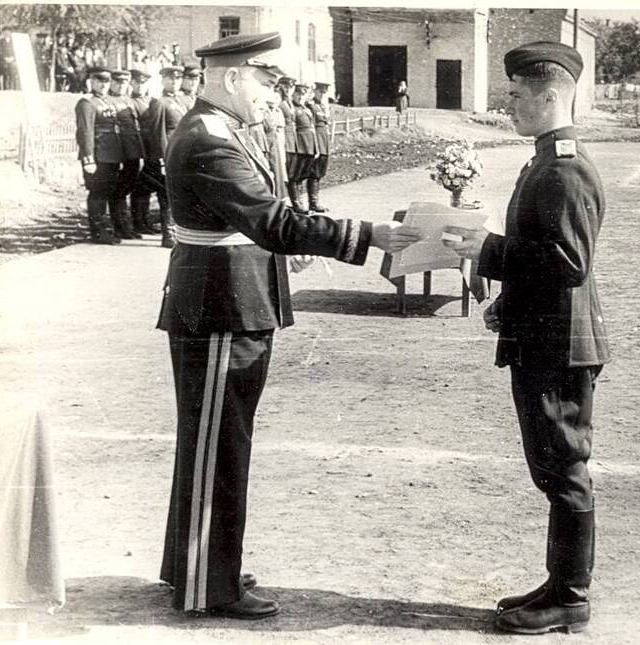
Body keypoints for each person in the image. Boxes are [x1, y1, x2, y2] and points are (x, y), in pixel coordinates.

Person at [156, 31, 420, 620]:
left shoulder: (216, 131)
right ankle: (209, 586)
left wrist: (288, 239)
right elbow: (270, 219)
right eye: (265, 82)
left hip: (227, 298)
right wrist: (366, 234)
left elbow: (263, 218)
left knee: (212, 441)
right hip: (221, 304)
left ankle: (195, 565)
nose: (271, 97)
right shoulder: (207, 140)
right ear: (230, 77)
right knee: (219, 444)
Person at [443, 41, 609, 635]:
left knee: (563, 469)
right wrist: (507, 300)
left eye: (517, 95)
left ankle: (571, 596)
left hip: (559, 345)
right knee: (551, 468)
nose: (508, 103)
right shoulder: (544, 159)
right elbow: (544, 257)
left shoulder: (563, 167)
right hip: (543, 333)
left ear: (549, 96)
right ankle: (559, 583)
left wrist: (488, 252)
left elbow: (568, 262)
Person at [75, 67, 123, 244]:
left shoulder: (108, 101)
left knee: (107, 192)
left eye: (106, 82)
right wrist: (88, 158)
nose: (103, 85)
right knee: (97, 194)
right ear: (91, 81)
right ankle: (98, 231)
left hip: (111, 156)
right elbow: (85, 132)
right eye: (99, 81)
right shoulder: (87, 103)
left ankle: (105, 229)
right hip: (97, 156)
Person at [106, 69, 144, 239]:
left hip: (133, 151)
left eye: (124, 82)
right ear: (111, 83)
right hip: (118, 152)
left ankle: (125, 226)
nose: (121, 85)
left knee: (126, 188)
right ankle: (119, 227)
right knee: (117, 191)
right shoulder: (107, 101)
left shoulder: (129, 101)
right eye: (117, 82)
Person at [154, 66, 189, 246]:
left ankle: (180, 232)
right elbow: (158, 132)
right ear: (163, 81)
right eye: (170, 79)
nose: (174, 82)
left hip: (185, 154)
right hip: (170, 154)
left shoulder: (185, 101)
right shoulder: (160, 103)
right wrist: (162, 158)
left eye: (177, 79)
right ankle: (168, 234)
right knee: (167, 195)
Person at [129, 69, 164, 237]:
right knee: (139, 188)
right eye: (136, 83)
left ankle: (144, 222)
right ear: (131, 84)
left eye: (143, 83)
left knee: (148, 187)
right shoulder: (129, 102)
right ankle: (137, 223)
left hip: (152, 148)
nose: (140, 86)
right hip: (138, 147)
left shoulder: (152, 101)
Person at [288, 82, 316, 212]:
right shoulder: (291, 108)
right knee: (295, 174)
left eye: (303, 94)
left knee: (303, 174)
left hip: (309, 143)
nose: (300, 97)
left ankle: (301, 203)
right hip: (299, 143)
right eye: (298, 93)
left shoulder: (306, 108)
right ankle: (296, 204)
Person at [307, 81, 332, 212]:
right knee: (314, 172)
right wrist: (315, 145)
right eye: (320, 91)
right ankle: (313, 203)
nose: (322, 94)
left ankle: (315, 202)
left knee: (320, 171)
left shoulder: (322, 106)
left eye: (324, 92)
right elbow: (311, 126)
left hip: (324, 140)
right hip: (316, 139)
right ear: (314, 91)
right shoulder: (310, 105)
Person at [276, 77, 301, 210]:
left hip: (292, 140)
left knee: (291, 172)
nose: (288, 89)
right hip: (283, 139)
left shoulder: (289, 102)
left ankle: (294, 202)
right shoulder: (278, 101)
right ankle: (284, 202)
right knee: (283, 171)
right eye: (285, 86)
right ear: (280, 86)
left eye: (290, 87)